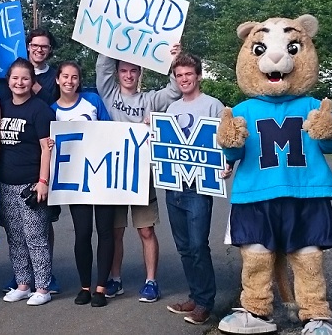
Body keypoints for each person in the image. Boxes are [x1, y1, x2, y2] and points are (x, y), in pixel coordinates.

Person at [96, 44, 181, 302]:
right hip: (114, 175)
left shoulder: (150, 100)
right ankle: (115, 279)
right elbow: (102, 67)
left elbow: (175, 90)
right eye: (124, 71)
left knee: (145, 230)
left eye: (133, 71)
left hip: (143, 175)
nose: (129, 75)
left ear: (140, 73)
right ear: (118, 73)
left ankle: (151, 281)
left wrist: (174, 59)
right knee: (116, 231)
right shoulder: (109, 96)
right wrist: (109, 41)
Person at [163, 53, 224, 325]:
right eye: (179, 75)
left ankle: (205, 304)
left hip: (199, 187)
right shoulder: (171, 109)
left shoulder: (213, 106)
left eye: (188, 74)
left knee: (199, 245)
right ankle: (195, 295)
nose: (184, 79)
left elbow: (226, 140)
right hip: (174, 185)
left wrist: (227, 163)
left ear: (198, 76)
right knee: (185, 247)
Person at [0, 28, 61, 294]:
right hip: (5, 182)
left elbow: (46, 148)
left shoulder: (41, 109)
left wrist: (43, 181)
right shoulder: (0, 105)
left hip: (31, 183)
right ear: (9, 80)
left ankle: (43, 288)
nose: (20, 83)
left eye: (25, 79)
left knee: (36, 238)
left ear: (31, 81)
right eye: (15, 78)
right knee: (15, 238)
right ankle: (23, 284)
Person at [50, 61, 114, 307]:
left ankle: (101, 287)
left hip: (104, 177)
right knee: (83, 233)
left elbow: (110, 131)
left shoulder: (92, 101)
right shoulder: (52, 109)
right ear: (57, 80)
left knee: (105, 232)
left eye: (74, 77)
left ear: (79, 80)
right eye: (65, 76)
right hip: (76, 181)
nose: (69, 81)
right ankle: (85, 286)